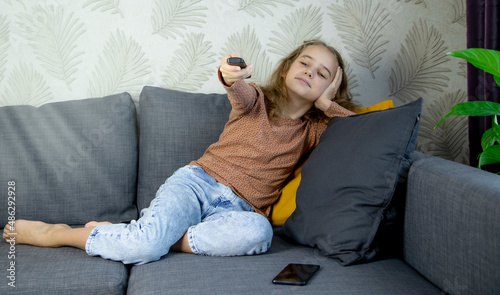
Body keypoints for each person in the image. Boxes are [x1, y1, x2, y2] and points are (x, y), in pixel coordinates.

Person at [2, 39, 358, 265]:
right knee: (143, 248)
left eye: (322, 73)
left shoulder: (316, 129)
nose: (310, 72)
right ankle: (59, 233)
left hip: (239, 211)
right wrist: (230, 74)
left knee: (260, 235)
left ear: (332, 86)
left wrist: (329, 104)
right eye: (305, 63)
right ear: (288, 68)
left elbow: (356, 136)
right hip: (196, 184)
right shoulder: (257, 102)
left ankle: (146, 233)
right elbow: (236, 86)